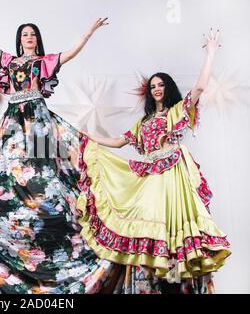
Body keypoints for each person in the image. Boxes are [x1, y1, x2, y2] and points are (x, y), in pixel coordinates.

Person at [0, 1, 123, 294]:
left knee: (43, 168)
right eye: (24, 34)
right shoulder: (9, 61)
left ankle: (47, 206)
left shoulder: (44, 61)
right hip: (13, 118)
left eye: (32, 34)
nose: (28, 37)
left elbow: (70, 53)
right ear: (19, 40)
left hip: (38, 117)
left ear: (36, 39)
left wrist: (90, 32)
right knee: (2, 162)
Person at [77, 29, 231, 290]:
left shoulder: (176, 112)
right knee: (147, 220)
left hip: (173, 174)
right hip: (151, 176)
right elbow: (117, 141)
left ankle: (176, 278)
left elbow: (200, 86)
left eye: (161, 85)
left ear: (168, 88)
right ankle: (152, 279)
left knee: (173, 220)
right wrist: (88, 136)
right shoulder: (144, 122)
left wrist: (211, 53)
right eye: (153, 86)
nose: (157, 89)